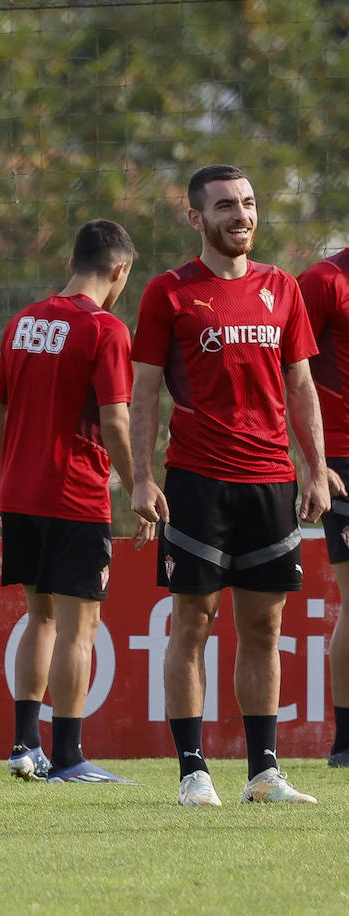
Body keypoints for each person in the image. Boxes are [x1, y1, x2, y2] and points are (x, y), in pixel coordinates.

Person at [131, 164, 330, 806]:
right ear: (197, 219)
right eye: (224, 206)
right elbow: (143, 392)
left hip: (271, 480)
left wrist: (315, 465)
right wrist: (138, 476)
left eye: (246, 203)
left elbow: (300, 383)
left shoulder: (282, 288)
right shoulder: (168, 292)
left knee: (263, 627)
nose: (239, 215)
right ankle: (193, 772)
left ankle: (264, 773)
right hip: (195, 481)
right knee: (193, 620)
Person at [0, 219, 155, 784]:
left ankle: (23, 745)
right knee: (79, 629)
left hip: (20, 492)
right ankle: (69, 757)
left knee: (39, 618)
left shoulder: (22, 322)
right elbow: (114, 418)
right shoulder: (106, 329)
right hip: (75, 494)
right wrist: (137, 486)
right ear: (120, 271)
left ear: (72, 261)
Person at [296, 249, 349, 766]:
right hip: (345, 459)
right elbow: (290, 369)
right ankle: (347, 743)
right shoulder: (324, 280)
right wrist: (314, 461)